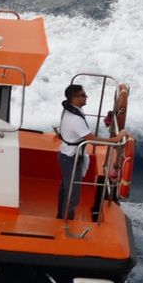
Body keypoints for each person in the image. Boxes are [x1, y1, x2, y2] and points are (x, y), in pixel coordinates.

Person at [56, 84, 93, 219]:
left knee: (66, 188)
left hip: (67, 155)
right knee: (72, 193)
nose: (86, 97)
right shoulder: (75, 119)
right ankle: (66, 221)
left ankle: (61, 216)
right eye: (83, 95)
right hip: (70, 158)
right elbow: (91, 138)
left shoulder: (70, 109)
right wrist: (116, 139)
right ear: (74, 98)